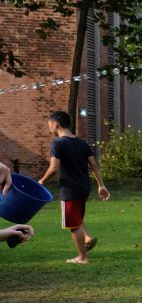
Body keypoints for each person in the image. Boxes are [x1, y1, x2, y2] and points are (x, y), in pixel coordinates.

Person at [37, 111, 110, 264]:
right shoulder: (82, 143)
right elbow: (94, 165)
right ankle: (87, 238)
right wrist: (101, 185)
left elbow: (54, 168)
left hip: (69, 189)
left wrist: (42, 180)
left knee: (73, 225)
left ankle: (82, 257)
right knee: (77, 217)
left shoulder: (57, 143)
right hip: (84, 187)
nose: (50, 128)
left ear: (55, 124)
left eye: (49, 124)